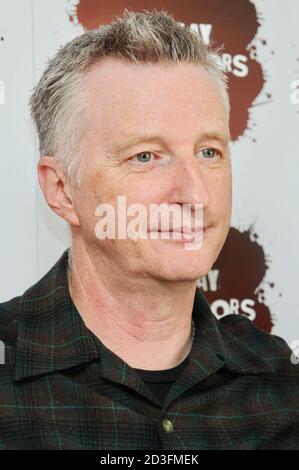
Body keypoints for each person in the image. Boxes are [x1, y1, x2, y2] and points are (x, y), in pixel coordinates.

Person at [0, 9, 298, 450]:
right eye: (145, 156)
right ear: (62, 190)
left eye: (209, 152)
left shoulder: (280, 384)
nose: (195, 194)